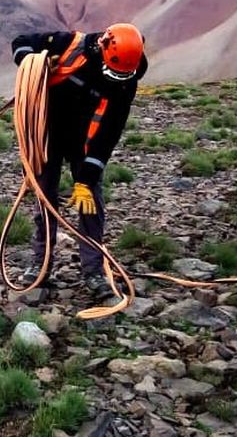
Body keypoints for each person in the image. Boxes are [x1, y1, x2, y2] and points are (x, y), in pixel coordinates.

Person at [10, 23, 147, 293]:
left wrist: (87, 176)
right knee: (45, 200)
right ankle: (41, 265)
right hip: (45, 135)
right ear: (102, 46)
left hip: (83, 144)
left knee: (91, 204)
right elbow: (21, 41)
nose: (114, 78)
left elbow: (110, 129)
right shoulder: (68, 44)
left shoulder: (127, 78)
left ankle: (93, 271)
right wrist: (32, 61)